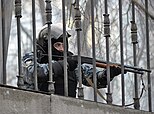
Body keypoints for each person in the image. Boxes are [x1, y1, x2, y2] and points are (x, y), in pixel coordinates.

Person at [22, 23, 124, 97]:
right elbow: (34, 73)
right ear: (46, 45)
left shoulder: (71, 62)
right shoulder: (32, 58)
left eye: (64, 45)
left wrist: (107, 74)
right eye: (57, 45)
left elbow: (92, 78)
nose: (62, 49)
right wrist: (63, 65)